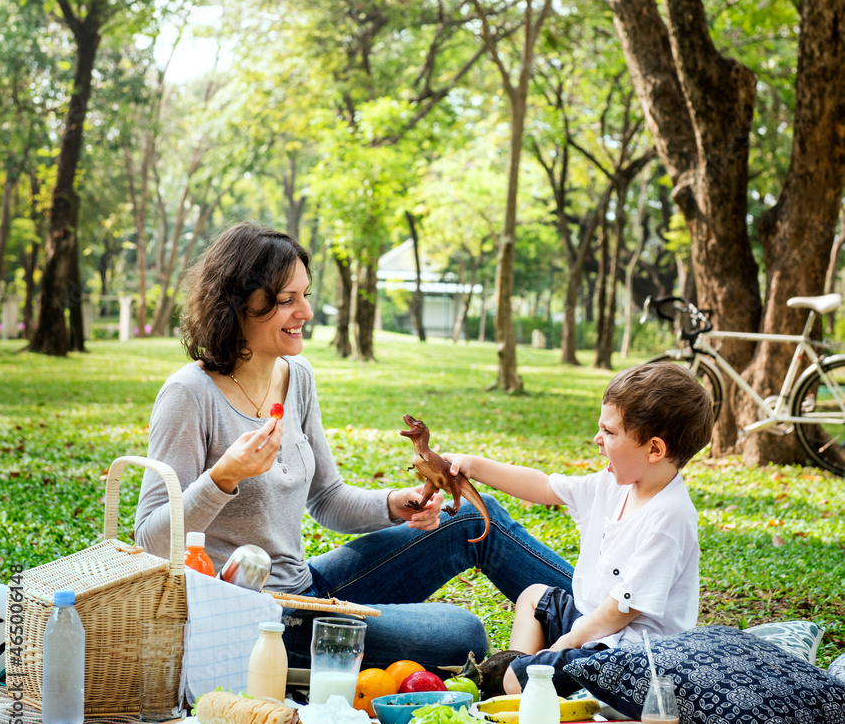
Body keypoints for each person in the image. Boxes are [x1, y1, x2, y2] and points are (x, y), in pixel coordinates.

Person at [134, 221, 576, 671]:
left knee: (464, 517)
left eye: (305, 295)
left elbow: (326, 498)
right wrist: (224, 477)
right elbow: (149, 539)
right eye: (287, 300)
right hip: (257, 620)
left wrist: (394, 504)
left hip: (307, 585)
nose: (305, 312)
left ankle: (601, 616)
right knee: (465, 635)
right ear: (237, 304)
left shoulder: (296, 375)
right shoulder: (189, 395)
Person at [444, 362, 714, 695]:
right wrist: (473, 465)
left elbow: (621, 611)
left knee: (517, 678)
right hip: (594, 627)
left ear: (654, 449)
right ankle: (524, 683)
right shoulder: (613, 484)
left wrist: (566, 642)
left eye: (611, 432)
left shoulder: (669, 516)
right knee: (533, 598)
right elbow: (544, 487)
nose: (597, 440)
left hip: (629, 658)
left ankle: (519, 686)